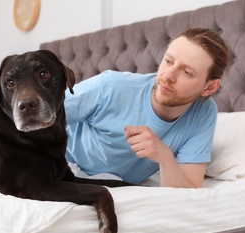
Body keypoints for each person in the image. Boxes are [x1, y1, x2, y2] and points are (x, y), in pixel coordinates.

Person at [64, 28, 230, 188]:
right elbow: (42, 115)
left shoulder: (203, 114)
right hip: (62, 161)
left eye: (186, 72)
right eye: (168, 61)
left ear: (209, 88)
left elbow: (190, 189)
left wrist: (165, 157)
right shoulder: (111, 86)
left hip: (111, 184)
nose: (168, 76)